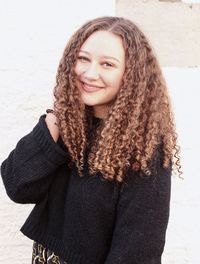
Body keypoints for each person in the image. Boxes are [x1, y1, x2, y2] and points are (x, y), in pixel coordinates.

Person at [1, 16, 181, 264]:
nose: (90, 73)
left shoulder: (144, 150)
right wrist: (56, 121)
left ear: (131, 75)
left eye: (107, 64)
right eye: (83, 59)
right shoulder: (67, 125)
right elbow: (17, 185)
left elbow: (137, 253)